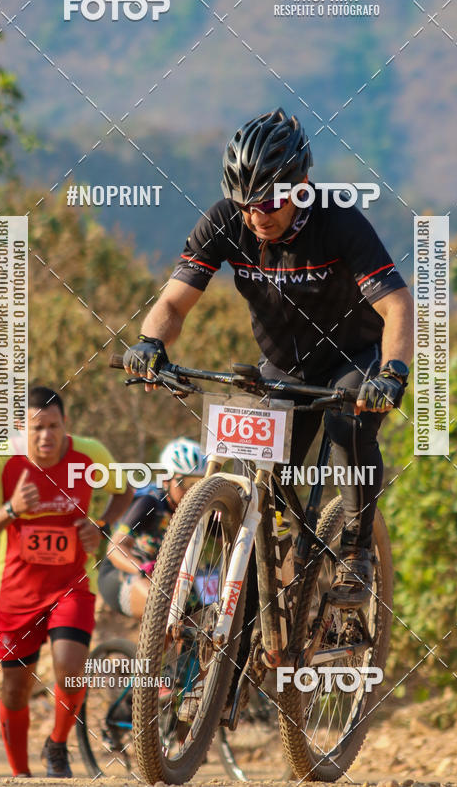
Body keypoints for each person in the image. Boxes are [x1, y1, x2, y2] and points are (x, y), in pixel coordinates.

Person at [122, 107, 414, 608]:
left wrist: (392, 373)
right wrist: (151, 343)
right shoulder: (225, 221)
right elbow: (172, 302)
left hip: (353, 358)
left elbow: (396, 304)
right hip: (283, 366)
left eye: (271, 201)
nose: (258, 216)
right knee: (268, 485)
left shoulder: (338, 220)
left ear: (303, 183)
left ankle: (357, 550)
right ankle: (260, 611)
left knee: (348, 427)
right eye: (246, 203)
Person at [0, 386, 132, 779]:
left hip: (71, 586)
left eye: (53, 426)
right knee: (15, 689)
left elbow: (124, 489)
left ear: (65, 424)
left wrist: (102, 526)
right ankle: (20, 774)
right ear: (22, 429)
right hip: (17, 592)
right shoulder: (1, 460)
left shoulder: (89, 455)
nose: (46, 436)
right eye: (36, 428)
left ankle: (57, 744)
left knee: (70, 669)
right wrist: (11, 510)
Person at [98, 438, 207, 619]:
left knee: (201, 617)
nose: (191, 490)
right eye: (184, 482)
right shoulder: (150, 503)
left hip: (168, 579)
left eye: (198, 482)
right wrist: (141, 568)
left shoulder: (203, 506)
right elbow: (115, 548)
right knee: (164, 606)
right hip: (123, 574)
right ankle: (155, 646)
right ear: (166, 480)